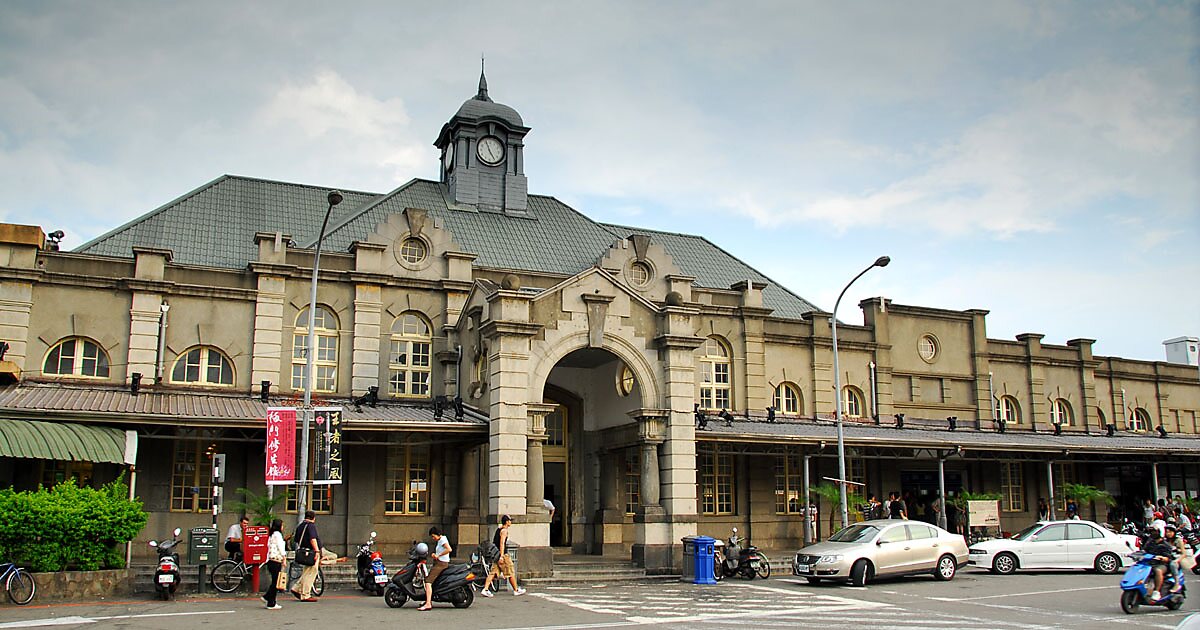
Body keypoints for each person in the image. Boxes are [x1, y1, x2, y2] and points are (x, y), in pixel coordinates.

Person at [480, 515, 526, 597]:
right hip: (502, 555)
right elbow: (502, 543)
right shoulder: (504, 531)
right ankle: (516, 590)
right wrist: (501, 556)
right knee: (510, 571)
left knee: (493, 572)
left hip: (496, 554)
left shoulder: (499, 529)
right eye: (510, 520)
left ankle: (485, 589)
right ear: (507, 522)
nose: (511, 522)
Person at [290, 510, 321, 602]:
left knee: (306, 571)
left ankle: (296, 588)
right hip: (311, 552)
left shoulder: (300, 526)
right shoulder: (310, 526)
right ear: (313, 518)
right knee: (311, 572)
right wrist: (317, 551)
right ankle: (305, 594)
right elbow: (313, 539)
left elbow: (296, 539)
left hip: (303, 551)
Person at [419, 527, 452, 611]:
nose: (433, 538)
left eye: (433, 536)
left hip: (441, 564)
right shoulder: (441, 539)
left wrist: (438, 555)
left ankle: (428, 603)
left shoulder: (442, 540)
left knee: (428, 582)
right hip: (439, 562)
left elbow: (449, 549)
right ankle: (428, 599)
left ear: (438, 534)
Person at [1143, 528, 1177, 602]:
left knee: (1158, 570)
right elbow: (1144, 551)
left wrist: (1162, 558)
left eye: (1155, 532)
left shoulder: (1165, 545)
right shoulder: (1150, 543)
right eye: (1152, 532)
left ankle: (1157, 591)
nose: (1153, 533)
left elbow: (1168, 558)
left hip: (1162, 564)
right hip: (1150, 563)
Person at [262, 518, 286, 610]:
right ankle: (271, 602)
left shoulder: (271, 535)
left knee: (274, 581)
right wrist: (284, 558)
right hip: (276, 560)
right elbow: (281, 547)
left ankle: (268, 598)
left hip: (270, 560)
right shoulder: (278, 535)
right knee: (276, 582)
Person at [1165, 523, 1187, 593]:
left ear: (1174, 532)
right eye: (1167, 532)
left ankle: (1176, 583)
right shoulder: (1165, 541)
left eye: (1170, 532)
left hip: (1176, 560)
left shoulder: (1178, 540)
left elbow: (1184, 554)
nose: (1168, 534)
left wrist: (1177, 560)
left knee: (1172, 564)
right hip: (1167, 559)